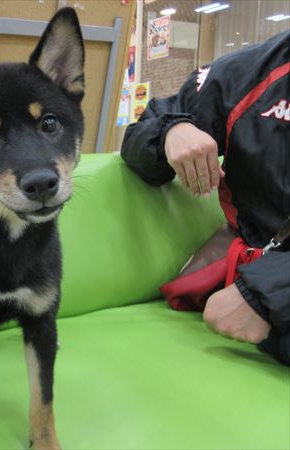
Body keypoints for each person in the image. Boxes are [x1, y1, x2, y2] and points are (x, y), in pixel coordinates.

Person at [120, 30, 290, 365]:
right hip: (248, 282)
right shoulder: (249, 73)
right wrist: (173, 131)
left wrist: (266, 293)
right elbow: (141, 135)